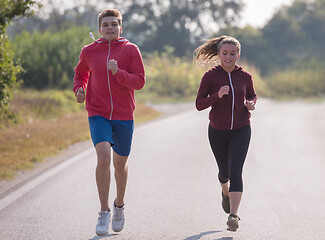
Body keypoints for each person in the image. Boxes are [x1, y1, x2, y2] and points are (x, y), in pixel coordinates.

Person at [73, 9, 145, 236]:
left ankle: (119, 206)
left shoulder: (131, 50)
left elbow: (140, 81)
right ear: (99, 29)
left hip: (124, 115)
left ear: (120, 28)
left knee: (120, 164)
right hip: (98, 112)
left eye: (114, 24)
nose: (110, 28)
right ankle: (103, 211)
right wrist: (79, 89)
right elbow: (80, 74)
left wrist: (118, 72)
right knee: (103, 158)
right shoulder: (89, 51)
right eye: (106, 25)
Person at [193, 36, 257, 232]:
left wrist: (251, 103)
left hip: (241, 129)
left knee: (236, 171)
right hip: (218, 131)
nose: (229, 57)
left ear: (239, 54)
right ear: (219, 54)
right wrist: (216, 96)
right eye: (225, 53)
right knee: (225, 173)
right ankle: (225, 191)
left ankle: (233, 215)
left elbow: (252, 95)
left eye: (232, 53)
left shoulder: (245, 76)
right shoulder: (210, 76)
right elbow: (199, 104)